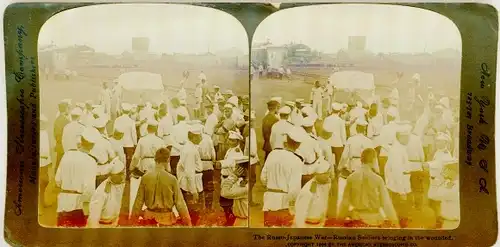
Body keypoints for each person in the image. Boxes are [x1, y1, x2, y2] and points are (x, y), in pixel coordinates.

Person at [337, 148, 399, 228]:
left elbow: (344, 204)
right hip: (374, 220)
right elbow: (386, 204)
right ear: (374, 160)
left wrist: (338, 222)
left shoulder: (351, 178)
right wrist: (395, 223)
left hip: (357, 220)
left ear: (361, 160)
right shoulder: (377, 179)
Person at [131, 148, 192, 226]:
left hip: (149, 219)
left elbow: (138, 202)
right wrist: (188, 222)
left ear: (155, 159)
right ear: (168, 160)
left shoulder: (146, 177)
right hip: (167, 219)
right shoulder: (172, 179)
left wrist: (132, 222)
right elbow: (180, 204)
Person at [260, 126, 306, 227]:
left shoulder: (272, 153)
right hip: (284, 205)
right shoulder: (297, 160)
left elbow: (263, 178)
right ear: (298, 144)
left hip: (269, 201)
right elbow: (294, 189)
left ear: (286, 140)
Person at [55, 127, 99, 227]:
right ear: (92, 145)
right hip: (79, 205)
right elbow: (89, 190)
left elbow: (57, 180)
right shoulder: (91, 161)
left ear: (81, 140)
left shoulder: (67, 154)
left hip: (62, 202)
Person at [384, 122, 413, 226]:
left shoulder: (400, 148)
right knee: (400, 217)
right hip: (398, 188)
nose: (408, 139)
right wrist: (402, 192)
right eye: (407, 137)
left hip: (400, 186)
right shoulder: (397, 151)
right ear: (400, 137)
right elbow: (396, 172)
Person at [177, 124, 205, 226]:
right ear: (193, 137)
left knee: (193, 213)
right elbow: (189, 172)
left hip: (192, 181)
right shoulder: (190, 151)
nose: (201, 138)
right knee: (194, 213)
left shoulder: (189, 147)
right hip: (192, 184)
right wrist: (194, 191)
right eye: (199, 136)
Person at [87, 158, 126, 228]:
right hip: (103, 226)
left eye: (123, 173)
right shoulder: (102, 190)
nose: (123, 176)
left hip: (116, 225)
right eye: (121, 174)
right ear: (112, 175)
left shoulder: (121, 185)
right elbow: (94, 216)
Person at [294, 159, 332, 227]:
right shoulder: (308, 190)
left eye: (328, 173)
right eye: (325, 174)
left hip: (322, 224)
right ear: (316, 174)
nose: (328, 176)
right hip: (309, 225)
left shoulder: (328, 184)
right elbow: (300, 214)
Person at [221, 159, 249, 227]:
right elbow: (223, 186)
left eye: (237, 168)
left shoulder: (246, 187)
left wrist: (233, 176)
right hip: (240, 220)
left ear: (244, 170)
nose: (234, 170)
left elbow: (224, 192)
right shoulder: (242, 182)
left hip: (243, 223)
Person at [91, 117, 118, 188]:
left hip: (92, 170)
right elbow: (112, 156)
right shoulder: (106, 141)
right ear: (103, 128)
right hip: (104, 170)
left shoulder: (90, 140)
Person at [297, 117, 323, 187]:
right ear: (311, 127)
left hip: (299, 169)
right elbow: (319, 154)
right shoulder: (313, 139)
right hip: (311, 169)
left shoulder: (297, 138)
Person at [197, 122, 217, 212]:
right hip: (208, 164)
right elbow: (213, 152)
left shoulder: (196, 140)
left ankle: (201, 206)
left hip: (199, 165)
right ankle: (208, 207)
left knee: (199, 186)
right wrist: (213, 161)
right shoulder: (208, 138)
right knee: (209, 187)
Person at [434, 158, 459, 229]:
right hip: (446, 221)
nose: (443, 172)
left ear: (453, 171)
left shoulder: (457, 185)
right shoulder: (447, 182)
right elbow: (437, 194)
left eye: (445, 169)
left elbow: (443, 195)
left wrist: (445, 186)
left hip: (454, 223)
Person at [114, 103, 137, 174]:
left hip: (119, 143)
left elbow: (114, 131)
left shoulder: (117, 120)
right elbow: (133, 134)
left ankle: (119, 174)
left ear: (122, 110)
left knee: (119, 160)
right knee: (128, 161)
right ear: (129, 111)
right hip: (129, 144)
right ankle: (127, 176)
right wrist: (135, 143)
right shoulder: (131, 121)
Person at [323, 102, 347, 167]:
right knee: (338, 161)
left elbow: (324, 131)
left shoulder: (327, 119)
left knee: (327, 161)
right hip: (338, 143)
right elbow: (343, 134)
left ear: (332, 110)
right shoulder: (340, 121)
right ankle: (337, 175)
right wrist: (344, 143)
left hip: (328, 142)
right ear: (339, 111)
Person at [244, 110, 259, 206]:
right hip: (251, 158)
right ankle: (249, 200)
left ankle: (249, 199)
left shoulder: (246, 129)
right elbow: (252, 148)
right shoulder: (251, 131)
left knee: (249, 179)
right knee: (252, 179)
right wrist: (255, 156)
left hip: (247, 157)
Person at [170, 107, 190, 176]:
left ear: (178, 118)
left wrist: (179, 147)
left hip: (176, 152)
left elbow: (172, 141)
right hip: (186, 151)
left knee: (175, 173)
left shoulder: (174, 128)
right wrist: (183, 148)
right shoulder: (189, 127)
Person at [54, 100, 71, 170]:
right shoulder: (65, 121)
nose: (69, 110)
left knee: (59, 164)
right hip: (63, 146)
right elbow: (59, 135)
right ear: (65, 109)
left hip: (60, 146)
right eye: (68, 108)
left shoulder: (58, 119)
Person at [39, 114, 52, 209]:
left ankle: (42, 202)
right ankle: (40, 205)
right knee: (40, 183)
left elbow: (47, 149)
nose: (43, 125)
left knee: (45, 182)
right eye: (42, 123)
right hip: (40, 162)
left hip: (45, 162)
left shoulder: (45, 133)